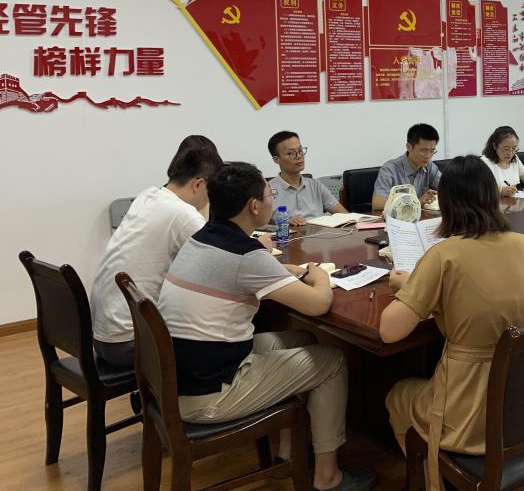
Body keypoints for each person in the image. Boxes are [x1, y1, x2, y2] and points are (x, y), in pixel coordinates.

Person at [159, 162, 373, 491]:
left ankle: (287, 455)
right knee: (332, 361)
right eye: (269, 193)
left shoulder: (203, 239)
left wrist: (291, 271)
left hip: (181, 375)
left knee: (302, 337)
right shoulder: (245, 256)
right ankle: (328, 477)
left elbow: (253, 270)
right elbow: (318, 303)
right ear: (254, 206)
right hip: (209, 394)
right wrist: (318, 275)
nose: (272, 198)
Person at [379, 156, 524, 491]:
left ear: (446, 204)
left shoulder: (443, 254)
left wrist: (409, 286)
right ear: (492, 196)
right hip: (522, 402)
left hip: (466, 412)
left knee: (398, 396)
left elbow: (389, 331)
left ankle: (434, 481)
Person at [90, 144, 222, 367]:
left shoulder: (148, 195)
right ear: (199, 184)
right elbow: (222, 264)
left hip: (105, 336)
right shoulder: (183, 214)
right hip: (131, 343)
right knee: (220, 336)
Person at [268, 131, 347, 226]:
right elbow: (261, 227)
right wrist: (284, 221)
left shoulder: (315, 185)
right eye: (291, 153)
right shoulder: (267, 191)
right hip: (287, 235)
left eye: (300, 150)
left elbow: (344, 215)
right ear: (276, 159)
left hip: (319, 234)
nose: (299, 156)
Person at [373, 124, 443, 211]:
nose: (428, 156)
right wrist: (416, 202)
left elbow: (447, 188)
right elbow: (377, 203)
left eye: (432, 151)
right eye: (423, 150)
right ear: (409, 147)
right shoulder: (390, 169)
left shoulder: (429, 166)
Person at [480, 126, 524, 196]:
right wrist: (501, 191)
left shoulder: (514, 159)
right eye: (506, 149)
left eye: (514, 148)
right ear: (495, 146)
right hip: (493, 202)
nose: (510, 153)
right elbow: (478, 190)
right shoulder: (484, 162)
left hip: (513, 201)